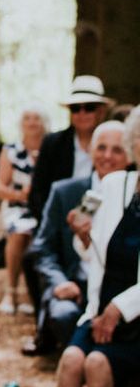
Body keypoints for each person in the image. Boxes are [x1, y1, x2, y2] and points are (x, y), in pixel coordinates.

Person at [42, 106, 140, 387]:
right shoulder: (111, 185)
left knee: (97, 364)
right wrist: (82, 236)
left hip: (133, 323)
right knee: (70, 360)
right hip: (98, 311)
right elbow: (90, 255)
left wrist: (120, 309)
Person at [32, 122, 129, 353]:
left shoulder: (134, 200)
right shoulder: (65, 191)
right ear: (90, 151)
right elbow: (43, 248)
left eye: (117, 150)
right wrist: (59, 282)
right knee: (64, 314)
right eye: (102, 148)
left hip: (119, 291)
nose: (108, 156)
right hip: (73, 285)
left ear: (130, 154)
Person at [30, 75, 111, 223]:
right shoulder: (53, 143)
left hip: (101, 219)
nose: (82, 114)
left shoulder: (111, 148)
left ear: (101, 111)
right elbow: (38, 190)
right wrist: (49, 220)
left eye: (89, 107)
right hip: (56, 219)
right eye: (75, 108)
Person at [0, 106, 49, 314]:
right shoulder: (11, 150)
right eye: (27, 118)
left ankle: (30, 291)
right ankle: (11, 291)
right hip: (16, 205)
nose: (32, 122)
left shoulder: (50, 148)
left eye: (37, 117)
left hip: (41, 208)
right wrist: (20, 195)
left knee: (36, 235)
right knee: (18, 233)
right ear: (21, 123)